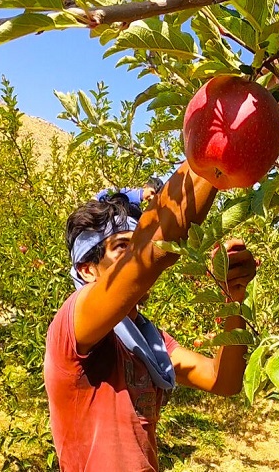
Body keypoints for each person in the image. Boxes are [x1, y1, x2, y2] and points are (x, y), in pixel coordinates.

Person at [44, 163, 255, 471]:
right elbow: (153, 250)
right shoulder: (75, 324)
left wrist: (232, 298)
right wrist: (214, 154)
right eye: (121, 248)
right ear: (87, 270)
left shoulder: (149, 341)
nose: (132, 257)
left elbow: (223, 381)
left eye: (134, 246)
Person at [95, 177, 165, 207]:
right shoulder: (129, 193)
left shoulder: (140, 204)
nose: (152, 197)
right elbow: (107, 192)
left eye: (155, 196)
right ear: (145, 186)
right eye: (152, 192)